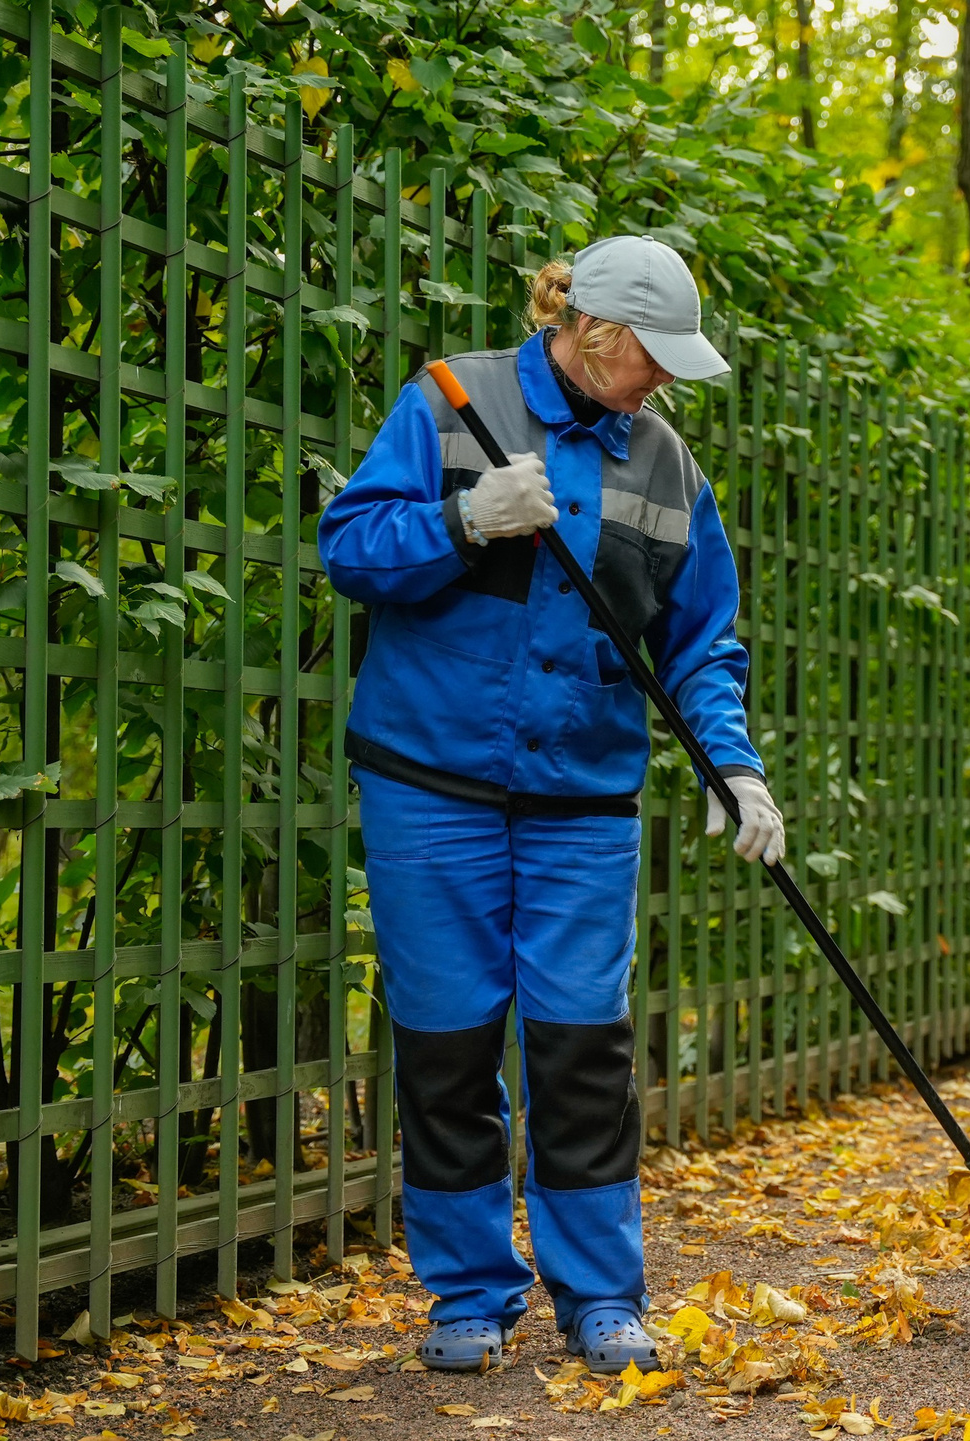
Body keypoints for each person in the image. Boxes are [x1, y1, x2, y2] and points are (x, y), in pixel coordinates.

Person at [319, 236, 783, 1375]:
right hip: (430, 782)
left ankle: (600, 1297)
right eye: (653, 359)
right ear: (597, 335)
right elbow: (348, 551)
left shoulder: (667, 467)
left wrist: (733, 764)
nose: (665, 381)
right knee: (447, 1042)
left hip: (583, 794)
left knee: (582, 1045)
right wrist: (463, 520)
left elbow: (699, 641)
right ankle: (468, 1294)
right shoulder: (448, 403)